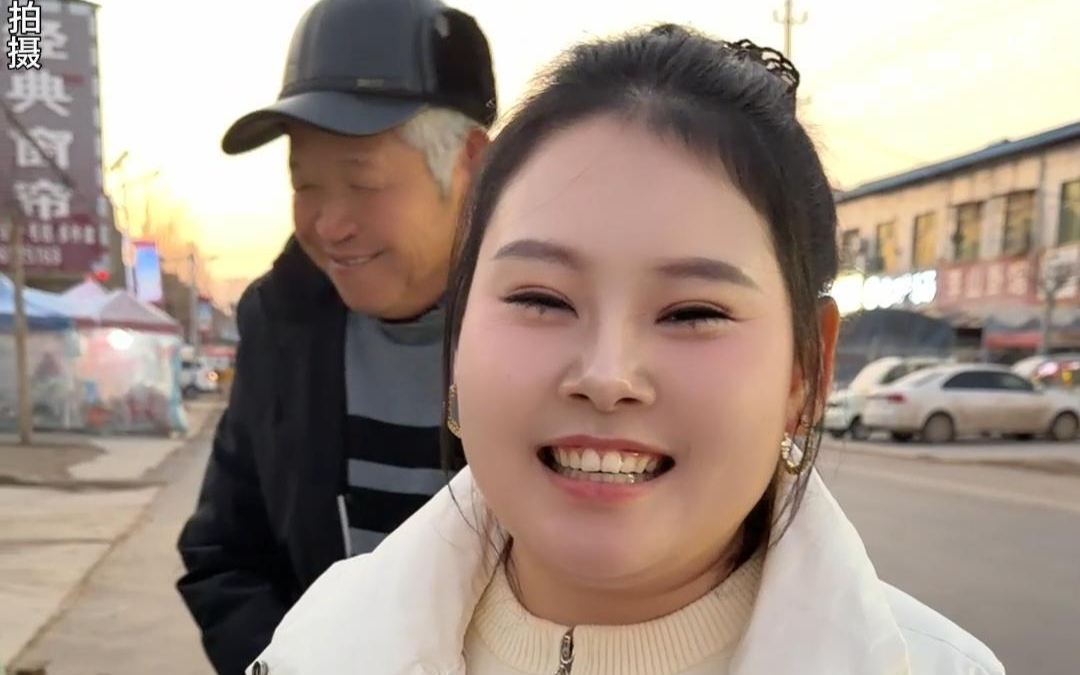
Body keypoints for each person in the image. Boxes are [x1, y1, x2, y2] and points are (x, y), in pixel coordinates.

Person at [241, 25, 1006, 675]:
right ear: (460, 333)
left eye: (693, 311)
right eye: (541, 299)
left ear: (806, 372)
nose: (606, 376)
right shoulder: (316, 648)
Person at [174, 0, 495, 673]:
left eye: (362, 181)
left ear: (469, 165)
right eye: (306, 185)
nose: (329, 224)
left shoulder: (556, 327)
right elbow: (224, 552)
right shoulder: (282, 324)